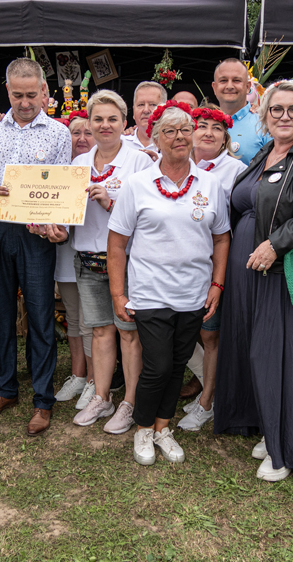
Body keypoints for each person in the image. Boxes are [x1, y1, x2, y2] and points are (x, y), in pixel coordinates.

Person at [213, 81, 293, 481]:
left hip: (281, 268)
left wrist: (275, 245)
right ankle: (265, 424)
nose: (285, 116)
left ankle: (285, 444)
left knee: (278, 355)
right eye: (276, 110)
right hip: (245, 270)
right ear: (264, 116)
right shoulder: (264, 154)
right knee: (251, 348)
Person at [107, 100, 231, 465]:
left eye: (185, 130)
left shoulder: (210, 183)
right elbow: (116, 243)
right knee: (158, 365)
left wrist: (217, 284)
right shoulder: (137, 184)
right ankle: (143, 429)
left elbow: (222, 237)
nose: (179, 137)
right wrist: (118, 293)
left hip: (193, 294)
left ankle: (163, 427)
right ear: (155, 139)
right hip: (150, 293)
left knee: (177, 365)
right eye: (170, 131)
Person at [0, 57, 71, 436]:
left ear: (44, 91)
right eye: (18, 95)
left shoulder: (59, 133)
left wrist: (55, 225)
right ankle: (4, 387)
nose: (25, 102)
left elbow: (63, 191)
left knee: (40, 314)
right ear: (7, 91)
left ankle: (43, 399)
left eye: (31, 94)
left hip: (35, 234)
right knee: (2, 311)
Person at [32, 90, 152, 434]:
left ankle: (130, 401)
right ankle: (102, 396)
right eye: (97, 119)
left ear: (124, 123)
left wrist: (112, 203)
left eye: (112, 119)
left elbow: (150, 217)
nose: (104, 125)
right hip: (85, 258)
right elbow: (68, 217)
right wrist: (56, 231)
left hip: (126, 262)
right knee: (100, 331)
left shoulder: (140, 162)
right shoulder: (79, 165)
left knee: (129, 334)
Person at [178, 104, 245, 432]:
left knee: (210, 333)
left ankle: (208, 402)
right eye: (201, 125)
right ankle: (211, 389)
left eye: (216, 128)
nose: (207, 132)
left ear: (225, 138)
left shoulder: (235, 170)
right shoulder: (178, 165)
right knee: (186, 330)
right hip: (180, 264)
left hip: (213, 264)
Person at [54, 110, 96, 406]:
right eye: (75, 132)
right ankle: (78, 375)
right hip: (64, 251)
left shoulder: (105, 165)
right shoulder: (57, 167)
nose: (81, 138)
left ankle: (96, 379)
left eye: (87, 132)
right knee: (73, 316)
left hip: (94, 254)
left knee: (92, 320)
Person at [212, 58, 268, 165]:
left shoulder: (264, 124)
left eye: (236, 80)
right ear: (214, 87)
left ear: (247, 87)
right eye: (223, 80)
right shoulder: (202, 124)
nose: (229, 86)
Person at [122, 81, 165, 151]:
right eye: (141, 105)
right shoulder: (121, 143)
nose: (146, 110)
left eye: (152, 105)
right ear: (133, 111)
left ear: (164, 109)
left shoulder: (172, 144)